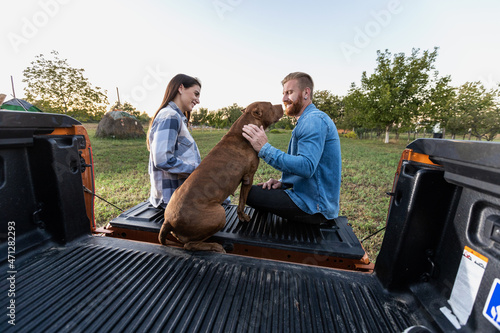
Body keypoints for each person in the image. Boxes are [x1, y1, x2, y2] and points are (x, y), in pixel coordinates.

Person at [242, 72, 341, 224]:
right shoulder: (307, 120)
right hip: (312, 201)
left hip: (314, 208)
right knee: (256, 191)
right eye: (283, 93)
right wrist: (283, 183)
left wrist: (264, 148)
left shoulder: (313, 120)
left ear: (306, 93)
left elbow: (307, 166)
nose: (284, 99)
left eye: (289, 92)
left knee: (248, 193)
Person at [147, 74, 202, 209]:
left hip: (177, 198)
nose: (198, 100)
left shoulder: (176, 117)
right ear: (181, 88)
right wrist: (198, 170)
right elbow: (162, 159)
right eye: (196, 94)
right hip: (171, 201)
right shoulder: (170, 116)